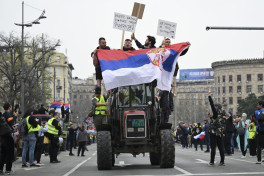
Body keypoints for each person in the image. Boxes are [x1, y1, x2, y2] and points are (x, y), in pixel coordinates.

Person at [207, 91, 225, 166]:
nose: (214, 107)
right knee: (221, 147)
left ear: (217, 107)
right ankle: (222, 161)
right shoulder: (223, 112)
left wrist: (209, 96)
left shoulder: (215, 112)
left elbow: (211, 104)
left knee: (213, 147)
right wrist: (211, 117)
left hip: (214, 132)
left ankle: (212, 162)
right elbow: (219, 120)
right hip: (220, 132)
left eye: (215, 106)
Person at [0, 103, 15, 175]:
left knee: (3, 153)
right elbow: (12, 122)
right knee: (10, 152)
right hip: (8, 135)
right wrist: (15, 116)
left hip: (2, 135)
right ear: (9, 107)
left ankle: (0, 169)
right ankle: (8, 169)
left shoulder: (2, 115)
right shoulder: (8, 114)